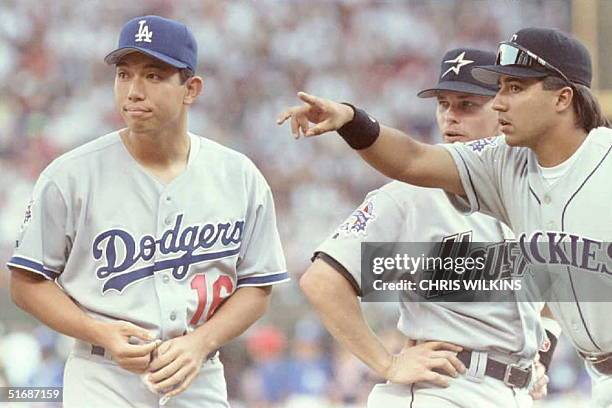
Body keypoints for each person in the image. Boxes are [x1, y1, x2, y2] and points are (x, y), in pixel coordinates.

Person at [278, 27, 611, 407]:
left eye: (468, 104)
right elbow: (323, 280)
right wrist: (386, 363)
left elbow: (556, 278)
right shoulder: (415, 193)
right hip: (447, 387)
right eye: (444, 104)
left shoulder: (528, 178)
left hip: (515, 390)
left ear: (562, 98)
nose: (450, 118)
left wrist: (541, 355)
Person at [8, 15, 288, 408]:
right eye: (124, 75)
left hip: (198, 373)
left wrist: (200, 343)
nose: (133, 91)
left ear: (191, 89)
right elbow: (26, 283)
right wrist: (99, 332)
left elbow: (258, 286)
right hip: (102, 375)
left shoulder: (238, 175)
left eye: (153, 76)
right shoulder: (70, 175)